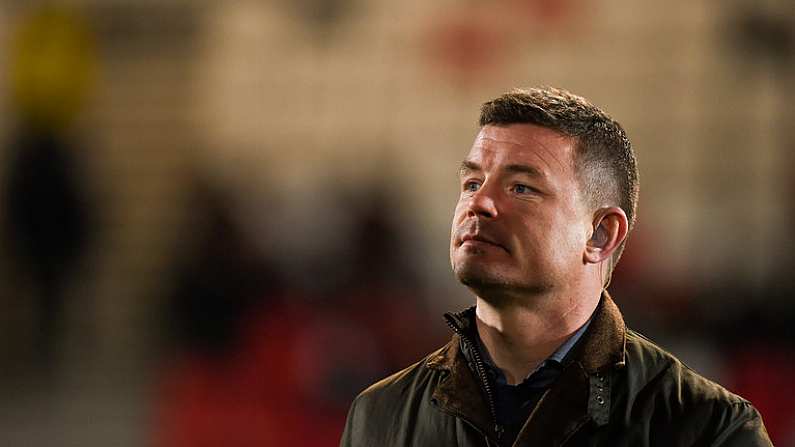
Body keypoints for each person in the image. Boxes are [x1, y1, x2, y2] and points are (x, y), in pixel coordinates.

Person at [339, 87, 772, 446]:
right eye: (472, 182)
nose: (480, 202)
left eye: (522, 187)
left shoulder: (710, 429)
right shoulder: (380, 415)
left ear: (601, 234)